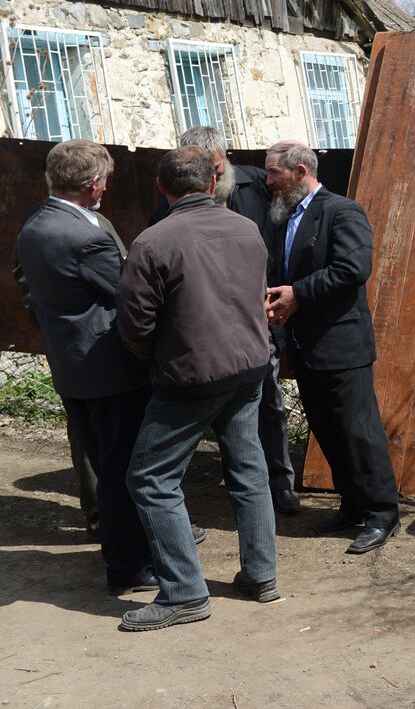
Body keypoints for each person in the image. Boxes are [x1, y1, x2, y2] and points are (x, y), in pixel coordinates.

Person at [116, 146, 280, 632]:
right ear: (213, 183)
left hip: (192, 377)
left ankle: (185, 593)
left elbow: (134, 325)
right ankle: (261, 575)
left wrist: (158, 357)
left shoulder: (152, 242)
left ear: (161, 189)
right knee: (249, 469)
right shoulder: (245, 227)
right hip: (249, 367)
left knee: (149, 478)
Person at [13, 140, 154, 594]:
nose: (106, 188)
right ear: (93, 183)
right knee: (121, 469)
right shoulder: (84, 235)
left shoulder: (35, 226)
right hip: (109, 370)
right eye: (105, 180)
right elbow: (131, 294)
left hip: (72, 367)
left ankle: (124, 555)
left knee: (106, 462)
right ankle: (129, 568)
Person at [151, 126, 299, 516]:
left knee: (269, 405)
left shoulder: (256, 184)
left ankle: (279, 485)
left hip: (257, 320)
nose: (213, 178)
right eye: (204, 171)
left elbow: (288, 235)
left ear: (225, 160)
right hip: (204, 331)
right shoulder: (168, 203)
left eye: (216, 167)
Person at [263, 140, 400, 554]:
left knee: (359, 431)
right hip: (306, 346)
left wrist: (297, 293)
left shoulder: (342, 211)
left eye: (274, 173)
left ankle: (381, 513)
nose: (268, 181)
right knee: (327, 430)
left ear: (301, 171)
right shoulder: (287, 216)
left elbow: (353, 269)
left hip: (342, 345)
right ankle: (352, 503)